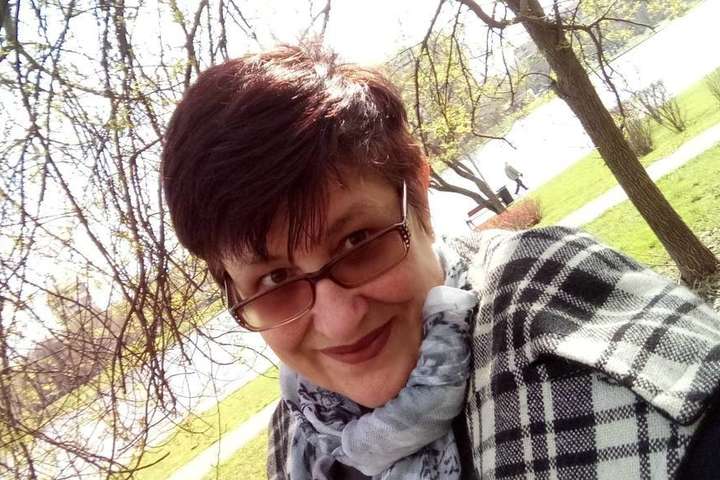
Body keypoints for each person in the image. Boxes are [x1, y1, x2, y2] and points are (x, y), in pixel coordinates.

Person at [160, 44, 720, 479]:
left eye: (357, 241)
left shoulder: (571, 327)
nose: (338, 322)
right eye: (276, 278)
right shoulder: (298, 431)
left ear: (419, 196)